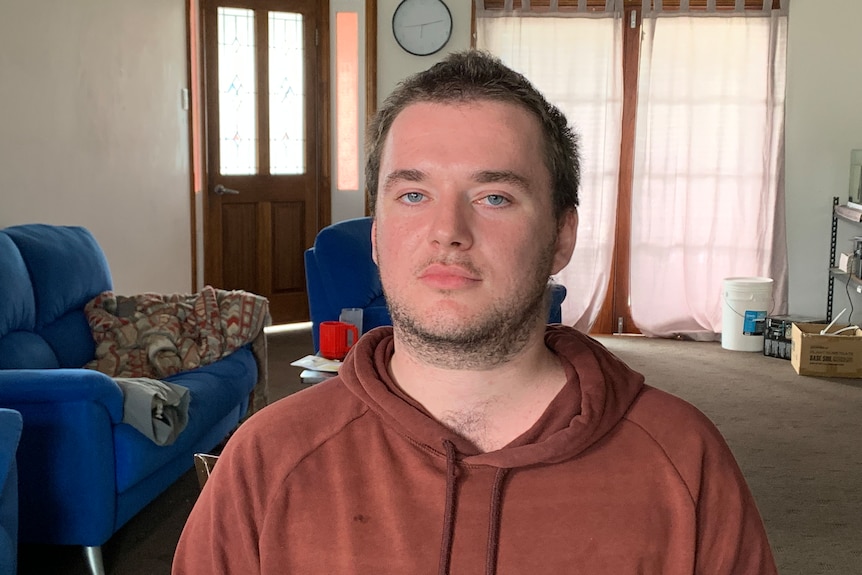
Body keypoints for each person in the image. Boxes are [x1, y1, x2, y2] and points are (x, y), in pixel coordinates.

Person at [172, 50, 777, 574]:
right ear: (378, 234)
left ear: (562, 237)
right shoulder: (268, 459)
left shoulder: (682, 457)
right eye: (414, 194)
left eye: (494, 197)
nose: (447, 232)